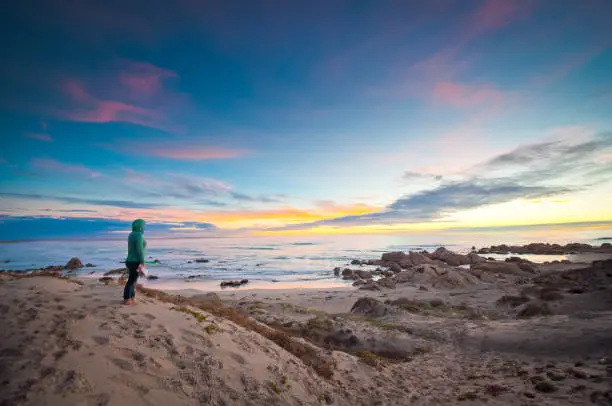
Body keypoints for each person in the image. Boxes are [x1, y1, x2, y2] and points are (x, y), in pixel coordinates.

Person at [124, 219, 146, 305]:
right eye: (143, 226)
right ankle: (126, 299)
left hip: (130, 261)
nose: (144, 228)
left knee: (133, 280)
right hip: (135, 262)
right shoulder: (138, 235)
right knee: (131, 280)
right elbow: (139, 250)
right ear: (140, 226)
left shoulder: (131, 234)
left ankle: (132, 297)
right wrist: (142, 262)